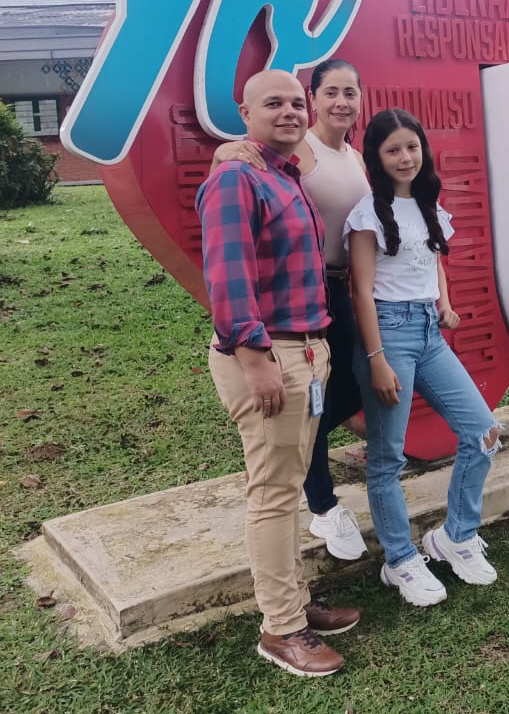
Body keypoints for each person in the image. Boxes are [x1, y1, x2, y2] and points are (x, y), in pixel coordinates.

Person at [197, 68, 360, 678]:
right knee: (272, 493)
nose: (290, 112)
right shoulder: (237, 177)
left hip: (304, 348)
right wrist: (255, 357)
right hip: (270, 353)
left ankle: (291, 601)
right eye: (275, 103)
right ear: (246, 112)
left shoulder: (283, 174)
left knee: (287, 487)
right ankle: (281, 629)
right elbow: (227, 275)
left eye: (297, 102)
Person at [214, 59, 371, 562]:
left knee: (340, 392)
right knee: (314, 405)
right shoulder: (294, 150)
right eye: (330, 93)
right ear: (316, 99)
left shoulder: (356, 156)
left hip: (340, 292)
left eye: (351, 92)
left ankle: (308, 466)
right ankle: (322, 504)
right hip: (302, 295)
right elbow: (242, 162)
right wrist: (226, 149)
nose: (341, 102)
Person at [346, 108, 502, 607]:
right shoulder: (368, 213)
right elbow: (362, 292)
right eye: (392, 149)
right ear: (376, 157)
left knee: (484, 432)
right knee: (388, 456)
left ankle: (454, 537)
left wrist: (446, 302)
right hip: (387, 333)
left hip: (429, 332)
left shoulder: (430, 203)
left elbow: (433, 258)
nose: (404, 157)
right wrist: (376, 357)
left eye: (411, 146)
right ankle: (400, 560)